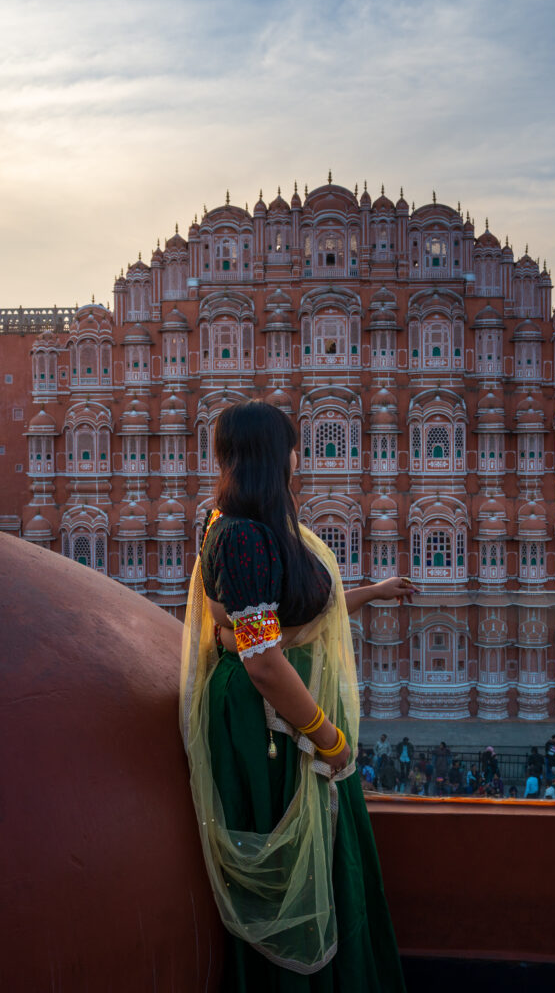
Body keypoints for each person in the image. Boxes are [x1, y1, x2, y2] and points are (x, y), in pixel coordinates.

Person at [180, 401, 409, 990]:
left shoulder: (244, 528)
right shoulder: (243, 538)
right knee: (294, 863)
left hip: (286, 715)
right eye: (292, 445)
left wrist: (372, 592)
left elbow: (275, 624)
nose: (298, 457)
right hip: (278, 725)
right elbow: (262, 660)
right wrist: (328, 739)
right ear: (273, 456)